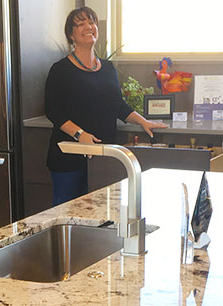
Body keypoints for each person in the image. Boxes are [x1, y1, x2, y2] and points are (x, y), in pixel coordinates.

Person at [44, 6, 168, 206]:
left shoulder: (108, 68)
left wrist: (143, 121)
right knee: (68, 215)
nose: (89, 27)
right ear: (71, 35)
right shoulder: (60, 70)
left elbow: (117, 105)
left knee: (104, 215)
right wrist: (80, 135)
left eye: (92, 22)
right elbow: (52, 110)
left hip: (105, 156)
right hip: (69, 158)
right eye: (81, 23)